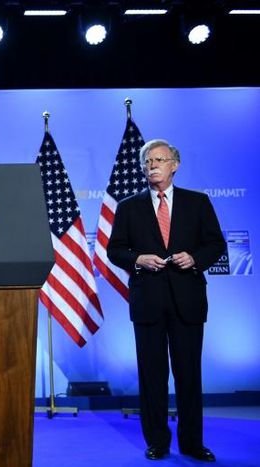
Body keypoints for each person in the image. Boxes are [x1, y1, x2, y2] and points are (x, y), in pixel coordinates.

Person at [107, 139, 225, 462]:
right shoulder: (129, 206)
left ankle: (192, 443)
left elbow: (216, 244)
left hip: (187, 301)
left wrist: (195, 258)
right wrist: (138, 259)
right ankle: (157, 441)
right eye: (147, 161)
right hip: (148, 303)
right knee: (153, 376)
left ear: (175, 165)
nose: (152, 165)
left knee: (189, 375)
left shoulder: (197, 203)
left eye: (159, 159)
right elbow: (114, 249)